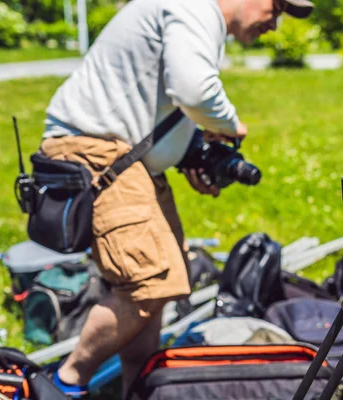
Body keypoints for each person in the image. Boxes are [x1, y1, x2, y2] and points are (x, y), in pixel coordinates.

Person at [40, 0, 314, 397]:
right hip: (98, 152)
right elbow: (194, 90)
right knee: (147, 283)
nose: (275, 22)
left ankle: (137, 388)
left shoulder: (194, 14)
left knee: (165, 281)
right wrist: (231, 125)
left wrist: (186, 153)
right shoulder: (194, 8)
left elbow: (162, 99)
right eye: (276, 7)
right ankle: (65, 382)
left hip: (128, 159)